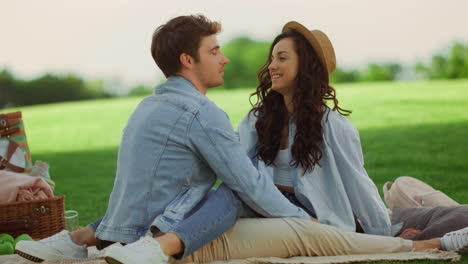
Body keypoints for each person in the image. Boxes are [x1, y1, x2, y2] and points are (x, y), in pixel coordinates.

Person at [15, 15, 313, 263]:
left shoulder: (148, 104)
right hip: (153, 232)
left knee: (206, 188)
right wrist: (301, 219)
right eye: (213, 51)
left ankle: (76, 240)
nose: (225, 58)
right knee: (233, 193)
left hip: (122, 225)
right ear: (187, 59)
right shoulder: (202, 113)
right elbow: (248, 184)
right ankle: (161, 249)